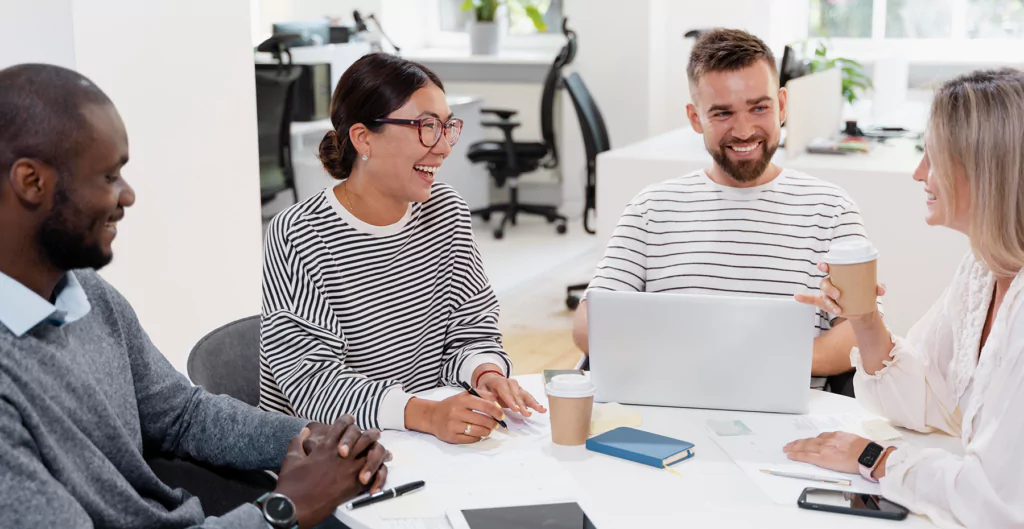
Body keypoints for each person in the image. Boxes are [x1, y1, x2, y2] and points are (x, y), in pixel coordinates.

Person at [0, 63, 389, 529]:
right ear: (31, 182)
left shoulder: (88, 293)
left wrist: (311, 439)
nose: (128, 196)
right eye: (108, 177)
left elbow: (181, 416)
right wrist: (287, 509)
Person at [259, 53, 546, 444]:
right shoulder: (298, 234)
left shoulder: (446, 211)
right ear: (363, 139)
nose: (444, 147)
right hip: (326, 456)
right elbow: (313, 385)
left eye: (448, 127)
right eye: (427, 127)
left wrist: (487, 373)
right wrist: (426, 414)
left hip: (423, 442)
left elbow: (471, 328)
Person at [785, 68, 1024, 528]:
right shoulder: (982, 271)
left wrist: (874, 457)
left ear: (985, 170)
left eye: (931, 158)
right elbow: (924, 401)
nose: (919, 173)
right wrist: (864, 318)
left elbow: (997, 503)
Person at [571, 28, 873, 391]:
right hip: (667, 410)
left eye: (759, 107)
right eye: (722, 113)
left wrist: (730, 361)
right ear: (695, 117)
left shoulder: (831, 210)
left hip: (794, 427)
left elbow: (861, 332)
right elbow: (589, 325)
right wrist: (718, 361)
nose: (744, 130)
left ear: (782, 105)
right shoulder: (650, 210)